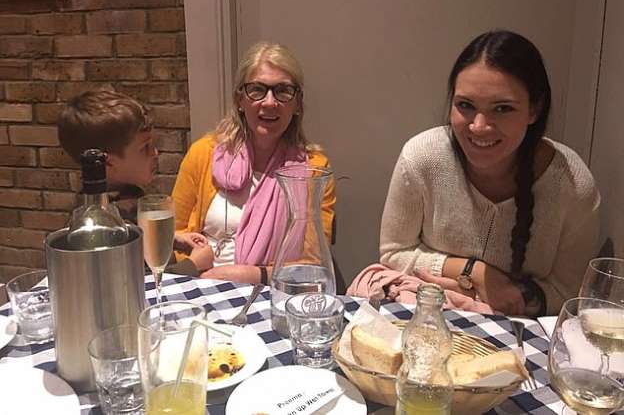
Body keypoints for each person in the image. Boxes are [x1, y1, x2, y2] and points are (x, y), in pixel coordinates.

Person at [379, 30, 600, 317]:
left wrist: (501, 297)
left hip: (519, 333)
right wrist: (475, 273)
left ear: (534, 109)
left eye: (502, 108)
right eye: (465, 105)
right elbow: (393, 253)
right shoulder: (422, 157)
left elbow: (570, 293)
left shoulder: (573, 184)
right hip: (425, 318)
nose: (479, 126)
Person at [172, 41, 336, 284]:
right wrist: (195, 271)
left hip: (271, 293)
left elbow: (312, 263)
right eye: (257, 90)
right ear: (240, 100)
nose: (269, 102)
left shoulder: (314, 170)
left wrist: (252, 275)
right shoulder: (203, 154)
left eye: (283, 91)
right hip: (199, 286)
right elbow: (172, 235)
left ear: (297, 104)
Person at [57, 90, 205, 257]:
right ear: (108, 162)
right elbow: (133, 272)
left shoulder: (128, 194)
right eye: (145, 147)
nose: (155, 153)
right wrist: (193, 265)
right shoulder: (102, 222)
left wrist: (174, 239)